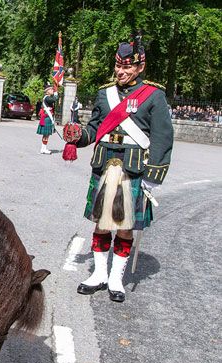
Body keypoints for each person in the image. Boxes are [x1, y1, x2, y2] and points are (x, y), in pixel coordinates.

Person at [64, 35, 173, 303]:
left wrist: (153, 177)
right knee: (101, 223)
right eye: (118, 67)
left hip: (133, 169)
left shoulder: (154, 96)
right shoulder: (105, 94)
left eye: (126, 67)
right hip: (104, 165)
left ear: (139, 68)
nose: (121, 72)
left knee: (124, 228)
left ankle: (116, 279)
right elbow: (95, 129)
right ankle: (99, 274)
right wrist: (79, 136)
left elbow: (162, 137)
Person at [37, 83, 58, 154]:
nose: (52, 90)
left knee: (46, 135)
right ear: (47, 91)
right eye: (51, 89)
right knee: (46, 134)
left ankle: (43, 148)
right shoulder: (47, 97)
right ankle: (43, 148)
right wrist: (56, 93)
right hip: (47, 118)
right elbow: (54, 99)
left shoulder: (47, 97)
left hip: (47, 117)